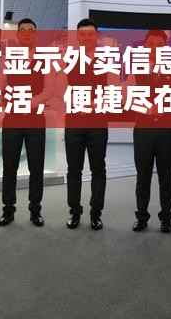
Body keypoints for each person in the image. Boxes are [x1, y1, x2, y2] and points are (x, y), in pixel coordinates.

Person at [129, 30, 171, 233]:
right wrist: (146, 108)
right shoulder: (137, 69)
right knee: (142, 175)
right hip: (143, 130)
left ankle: (166, 218)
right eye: (151, 44)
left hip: (166, 130)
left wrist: (166, 104)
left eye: (159, 44)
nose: (154, 48)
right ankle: (141, 217)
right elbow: (127, 96)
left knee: (166, 175)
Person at [0, 18, 52, 227]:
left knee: (36, 168)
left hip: (35, 119)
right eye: (23, 30)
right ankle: (8, 210)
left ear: (36, 34)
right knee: (9, 167)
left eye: (31, 30)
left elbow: (49, 90)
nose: (27, 33)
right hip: (12, 119)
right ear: (18, 35)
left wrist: (29, 103)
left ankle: (35, 210)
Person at [64, 18, 109, 231]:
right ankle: (74, 212)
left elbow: (114, 89)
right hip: (74, 123)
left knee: (98, 169)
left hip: (97, 123)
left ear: (96, 36)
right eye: (82, 34)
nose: (86, 38)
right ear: (77, 36)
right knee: (74, 170)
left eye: (90, 34)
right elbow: (58, 89)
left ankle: (95, 214)